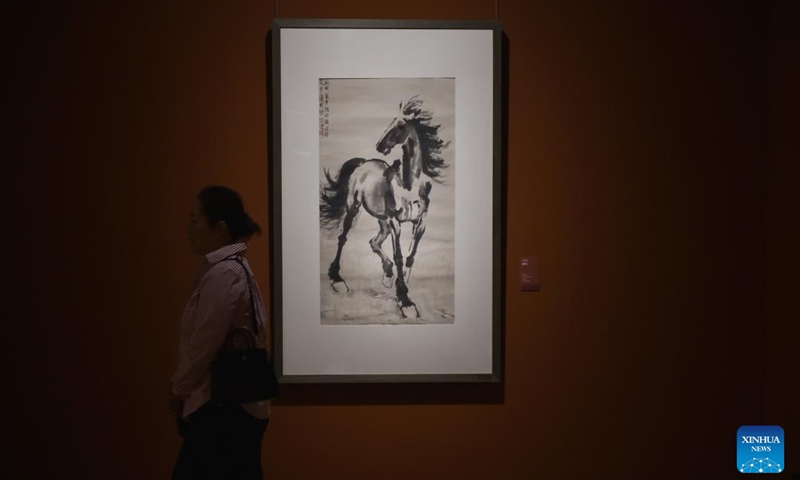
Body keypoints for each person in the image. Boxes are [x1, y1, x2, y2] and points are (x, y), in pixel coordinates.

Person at [170, 186, 271, 480]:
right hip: (236, 409)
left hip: (223, 411)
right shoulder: (235, 268)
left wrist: (178, 389)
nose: (189, 229)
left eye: (195, 221)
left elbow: (204, 345)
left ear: (219, 228)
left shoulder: (224, 272)